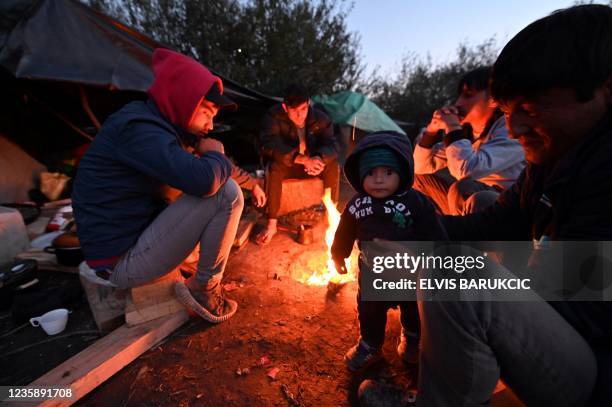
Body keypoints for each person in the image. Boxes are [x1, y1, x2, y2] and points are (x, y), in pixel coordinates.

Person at [359, 4, 612, 406]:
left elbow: (576, 303)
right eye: (509, 112)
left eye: (529, 109)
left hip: (596, 362)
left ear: (604, 90)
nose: (513, 129)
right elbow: (498, 222)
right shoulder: (557, 156)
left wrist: (453, 272)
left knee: (454, 278)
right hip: (568, 306)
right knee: (477, 213)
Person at [73, 48, 244, 323]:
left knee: (205, 192)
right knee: (226, 193)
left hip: (128, 241)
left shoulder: (156, 127)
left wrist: (220, 163)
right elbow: (205, 180)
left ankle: (194, 274)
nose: (211, 125)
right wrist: (216, 154)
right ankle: (204, 290)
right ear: (183, 99)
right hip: (119, 262)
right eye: (207, 112)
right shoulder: (140, 129)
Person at [331, 131, 447, 372]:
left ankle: (413, 339)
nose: (379, 180)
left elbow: (434, 233)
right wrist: (338, 253)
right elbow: (345, 230)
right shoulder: (357, 204)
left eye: (388, 172)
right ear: (361, 175)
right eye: (371, 173)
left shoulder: (417, 202)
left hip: (409, 274)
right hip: (373, 275)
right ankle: (370, 345)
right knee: (369, 311)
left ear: (402, 173)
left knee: (413, 308)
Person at [413, 67, 525, 215]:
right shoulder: (467, 132)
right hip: (468, 198)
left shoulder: (510, 127)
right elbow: (420, 167)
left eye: (468, 95)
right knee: (416, 177)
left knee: (463, 188)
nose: (458, 102)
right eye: (459, 95)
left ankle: (460, 233)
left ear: (492, 99)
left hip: (507, 202)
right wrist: (431, 131)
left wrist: (453, 127)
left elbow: (466, 171)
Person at [256, 84, 339, 244]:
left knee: (333, 166)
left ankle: (332, 219)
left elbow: (332, 145)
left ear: (308, 104)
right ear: (285, 107)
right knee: (275, 168)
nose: (300, 115)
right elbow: (267, 145)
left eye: (303, 109)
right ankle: (272, 224)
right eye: (294, 110)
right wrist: (301, 159)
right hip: (289, 164)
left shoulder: (321, 119)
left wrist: (320, 159)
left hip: (314, 164)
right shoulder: (273, 116)